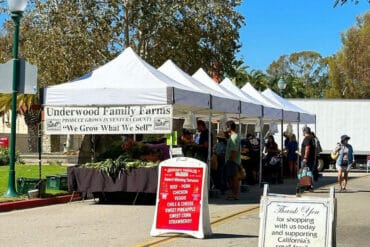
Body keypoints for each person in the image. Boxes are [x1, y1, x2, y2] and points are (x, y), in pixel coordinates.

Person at [224, 120, 241, 200]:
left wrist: (230, 160)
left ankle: (235, 195)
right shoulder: (234, 136)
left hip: (232, 161)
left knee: (234, 179)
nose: (225, 129)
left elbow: (234, 151)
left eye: (226, 127)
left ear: (229, 128)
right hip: (233, 161)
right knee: (233, 178)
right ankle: (234, 194)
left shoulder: (234, 137)